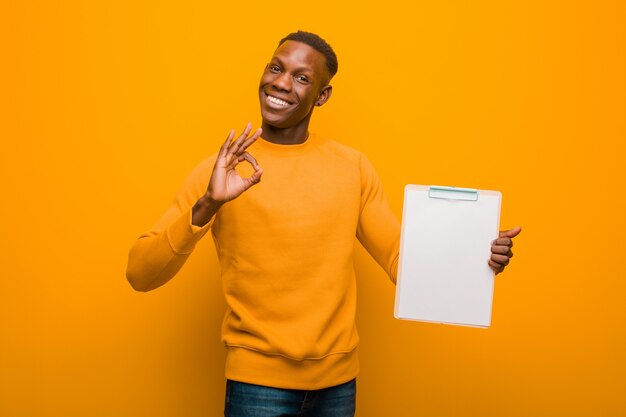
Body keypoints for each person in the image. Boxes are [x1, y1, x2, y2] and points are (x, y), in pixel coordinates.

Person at [126, 30, 521, 417]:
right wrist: (207, 205)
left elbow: (403, 261)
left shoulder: (352, 167)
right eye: (275, 68)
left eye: (301, 78)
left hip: (337, 387)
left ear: (322, 95)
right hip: (256, 388)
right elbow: (141, 273)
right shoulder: (220, 172)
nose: (281, 83)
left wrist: (475, 259)